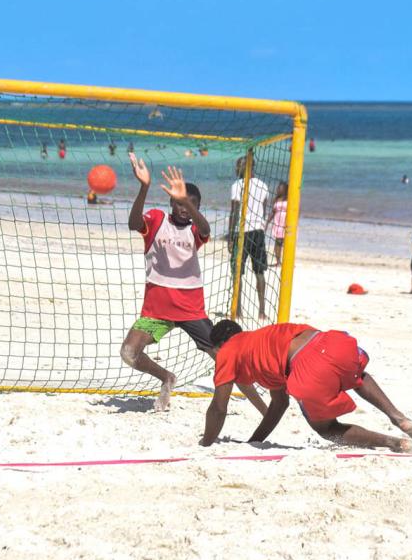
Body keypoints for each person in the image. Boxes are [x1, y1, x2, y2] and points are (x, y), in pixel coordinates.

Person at [121, 153, 269, 412]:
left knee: (225, 358)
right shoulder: (156, 220)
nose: (183, 207)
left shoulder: (194, 229)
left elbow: (206, 230)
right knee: (128, 353)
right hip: (157, 309)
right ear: (170, 202)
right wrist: (144, 187)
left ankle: (263, 407)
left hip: (190, 309)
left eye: (191, 204)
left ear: (196, 208)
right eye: (179, 203)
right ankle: (166, 378)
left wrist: (188, 205)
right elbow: (134, 223)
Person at [200, 321, 412, 450]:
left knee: (326, 429)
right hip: (330, 342)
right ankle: (399, 417)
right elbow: (279, 403)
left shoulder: (227, 352)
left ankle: (393, 442)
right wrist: (255, 441)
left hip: (306, 363)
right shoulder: (261, 339)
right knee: (356, 375)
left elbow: (219, 408)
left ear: (219, 346)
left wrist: (207, 442)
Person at [228, 156, 271, 319]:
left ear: (245, 168)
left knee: (237, 272)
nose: (235, 169)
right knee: (259, 272)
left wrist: (231, 236)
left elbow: (234, 211)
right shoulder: (263, 185)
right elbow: (264, 210)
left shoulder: (237, 185)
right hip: (258, 232)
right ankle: (262, 311)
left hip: (242, 232)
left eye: (237, 166)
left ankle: (237, 310)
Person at [268, 182, 288, 267]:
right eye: (278, 188)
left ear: (285, 190)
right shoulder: (276, 200)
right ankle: (278, 261)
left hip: (286, 222)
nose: (278, 189)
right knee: (278, 242)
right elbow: (273, 212)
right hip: (278, 222)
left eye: (280, 188)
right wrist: (267, 222)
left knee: (287, 243)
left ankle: (287, 262)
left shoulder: (289, 199)